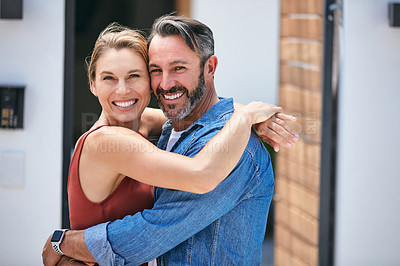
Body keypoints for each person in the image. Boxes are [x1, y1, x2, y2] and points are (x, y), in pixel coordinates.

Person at [43, 16, 298, 265]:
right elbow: (199, 174)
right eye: (156, 70)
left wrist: (248, 115)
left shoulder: (229, 147)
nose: (165, 83)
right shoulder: (114, 138)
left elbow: (152, 232)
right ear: (93, 84)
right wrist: (246, 115)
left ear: (209, 68)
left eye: (178, 68)